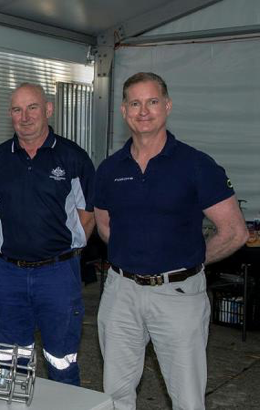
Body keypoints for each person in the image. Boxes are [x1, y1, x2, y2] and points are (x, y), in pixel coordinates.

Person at [94, 72, 248, 410]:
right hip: (121, 293)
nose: (143, 111)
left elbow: (235, 232)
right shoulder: (108, 169)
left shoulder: (196, 165)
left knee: (187, 398)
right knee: (116, 394)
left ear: (167, 106)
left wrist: (189, 261)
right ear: (123, 111)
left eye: (152, 101)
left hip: (179, 295)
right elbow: (105, 225)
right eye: (135, 103)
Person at [0, 83, 95, 386]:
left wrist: (63, 254)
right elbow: (0, 213)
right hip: (9, 275)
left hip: (58, 274)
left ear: (48, 110)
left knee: (62, 360)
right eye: (17, 109)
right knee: (9, 363)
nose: (25, 116)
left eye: (32, 107)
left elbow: (87, 214)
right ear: (10, 115)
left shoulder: (74, 157)